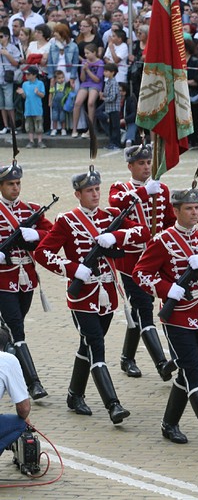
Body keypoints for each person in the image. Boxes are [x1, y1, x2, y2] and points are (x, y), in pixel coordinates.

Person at [34, 167, 148, 424]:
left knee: (87, 344)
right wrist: (75, 269)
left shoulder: (111, 216)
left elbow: (143, 232)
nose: (96, 194)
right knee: (97, 347)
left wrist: (115, 235)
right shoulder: (67, 221)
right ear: (78, 194)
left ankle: (74, 395)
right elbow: (43, 252)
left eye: (97, 189)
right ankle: (113, 405)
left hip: (107, 293)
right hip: (82, 296)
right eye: (89, 190)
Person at [133, 187, 198, 449]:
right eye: (188, 208)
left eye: (196, 207)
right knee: (193, 371)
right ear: (175, 211)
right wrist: (169, 289)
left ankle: (169, 423)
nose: (194, 212)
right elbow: (141, 273)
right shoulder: (163, 240)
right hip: (177, 315)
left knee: (191, 369)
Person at [109, 144, 176, 381]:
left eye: (149, 162)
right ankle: (161, 363)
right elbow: (117, 204)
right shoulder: (121, 188)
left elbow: (169, 221)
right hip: (132, 263)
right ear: (130, 166)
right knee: (144, 311)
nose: (147, 166)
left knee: (140, 310)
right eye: (141, 163)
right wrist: (145, 192)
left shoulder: (162, 190)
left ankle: (127, 358)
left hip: (156, 261)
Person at [0, 161, 52, 400]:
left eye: (18, 183)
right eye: (10, 184)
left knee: (11, 330)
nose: (15, 188)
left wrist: (37, 235)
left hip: (26, 279)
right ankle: (33, 384)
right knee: (17, 330)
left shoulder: (30, 210)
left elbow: (52, 234)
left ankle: (6, 367)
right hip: (2, 280)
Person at [0, 327, 30, 456]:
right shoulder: (8, 360)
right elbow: (23, 408)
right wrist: (25, 419)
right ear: (8, 348)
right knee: (19, 424)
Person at [16, 67, 45, 149]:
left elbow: (43, 95)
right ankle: (31, 141)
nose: (27, 76)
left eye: (28, 74)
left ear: (34, 75)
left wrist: (38, 92)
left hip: (37, 109)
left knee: (39, 126)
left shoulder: (40, 83)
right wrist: (22, 93)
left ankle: (40, 141)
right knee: (29, 127)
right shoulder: (25, 84)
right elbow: (25, 97)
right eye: (26, 74)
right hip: (28, 109)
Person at [99, 62, 120, 150]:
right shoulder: (108, 82)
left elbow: (112, 97)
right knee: (111, 127)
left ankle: (116, 143)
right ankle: (111, 142)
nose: (105, 72)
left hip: (114, 108)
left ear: (113, 72)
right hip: (109, 108)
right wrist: (103, 94)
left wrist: (103, 98)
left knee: (115, 126)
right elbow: (108, 93)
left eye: (107, 71)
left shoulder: (114, 83)